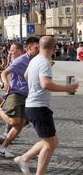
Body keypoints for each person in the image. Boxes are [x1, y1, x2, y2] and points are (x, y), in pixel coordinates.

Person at [14, 36, 78, 175]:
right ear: (54, 48)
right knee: (50, 144)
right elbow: (45, 84)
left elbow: (26, 76)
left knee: (52, 141)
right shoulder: (44, 62)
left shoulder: (35, 60)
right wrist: (68, 88)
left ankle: (24, 158)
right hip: (38, 106)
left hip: (34, 105)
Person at [0, 38, 39, 158]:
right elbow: (4, 73)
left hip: (28, 95)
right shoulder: (20, 60)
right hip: (16, 92)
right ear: (29, 48)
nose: (39, 50)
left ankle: (3, 149)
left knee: (20, 124)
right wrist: (5, 83)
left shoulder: (37, 59)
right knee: (14, 121)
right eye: (37, 47)